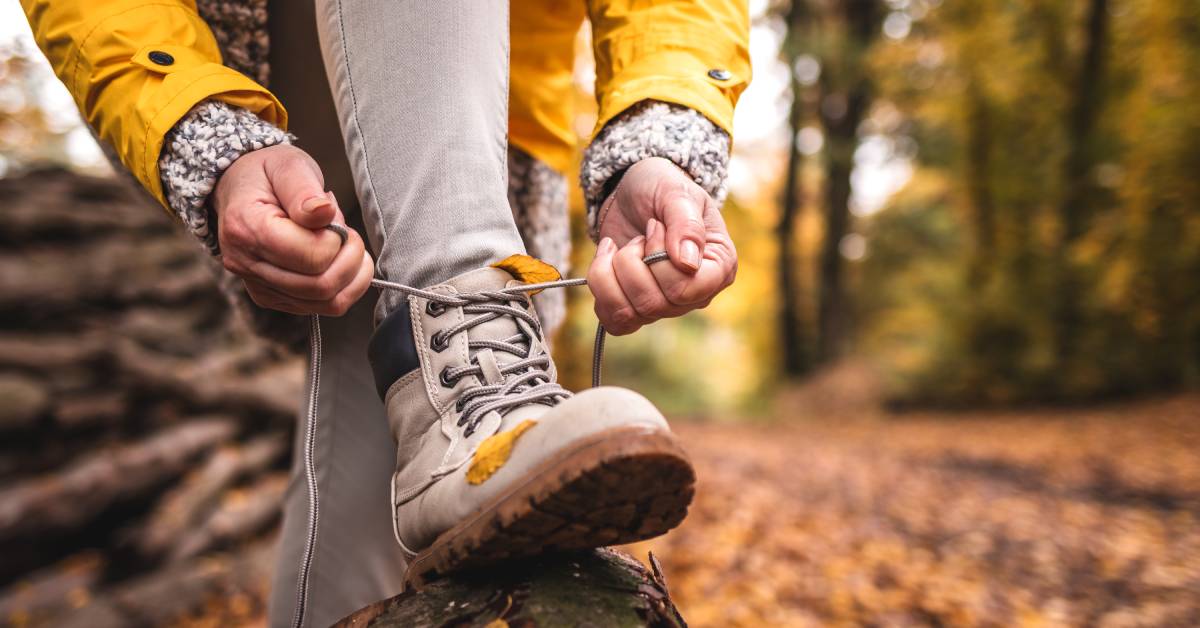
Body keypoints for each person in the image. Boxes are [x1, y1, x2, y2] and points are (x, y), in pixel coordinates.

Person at [21, 0, 750, 625]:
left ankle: (472, 379)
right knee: (421, 409)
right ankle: (474, 357)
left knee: (368, 449)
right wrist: (202, 134)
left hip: (498, 105)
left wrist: (663, 137)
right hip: (238, 61)